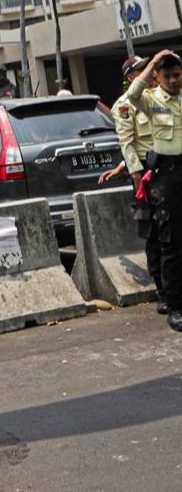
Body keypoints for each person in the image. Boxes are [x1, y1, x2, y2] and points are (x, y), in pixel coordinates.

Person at [123, 49, 182, 331]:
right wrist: (154, 61)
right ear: (157, 78)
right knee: (170, 243)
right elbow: (131, 96)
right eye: (167, 75)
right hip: (166, 176)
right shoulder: (150, 100)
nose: (173, 80)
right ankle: (174, 305)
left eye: (177, 75)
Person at [102, 55, 162, 307]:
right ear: (131, 78)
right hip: (145, 173)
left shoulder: (160, 98)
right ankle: (163, 290)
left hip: (168, 165)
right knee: (155, 232)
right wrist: (134, 174)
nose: (150, 75)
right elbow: (128, 143)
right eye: (143, 71)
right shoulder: (125, 105)